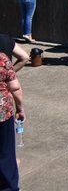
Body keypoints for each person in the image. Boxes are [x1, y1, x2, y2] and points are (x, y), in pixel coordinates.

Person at [0, 52, 25, 191]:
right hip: (2, 113)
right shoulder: (2, 58)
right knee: (6, 152)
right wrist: (20, 109)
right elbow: (15, 87)